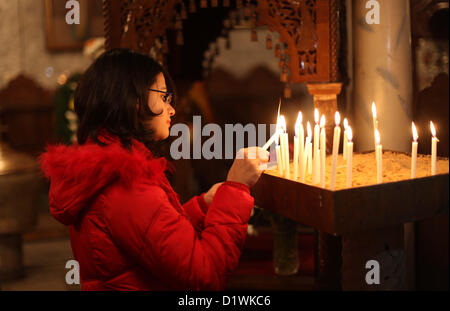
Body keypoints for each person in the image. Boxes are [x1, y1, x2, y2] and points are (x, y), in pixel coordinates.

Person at [39, 49, 269, 291]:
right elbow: (204, 274)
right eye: (163, 98)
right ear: (134, 101)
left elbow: (149, 235)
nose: (171, 109)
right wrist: (235, 189)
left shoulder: (105, 167)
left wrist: (204, 206)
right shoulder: (126, 183)